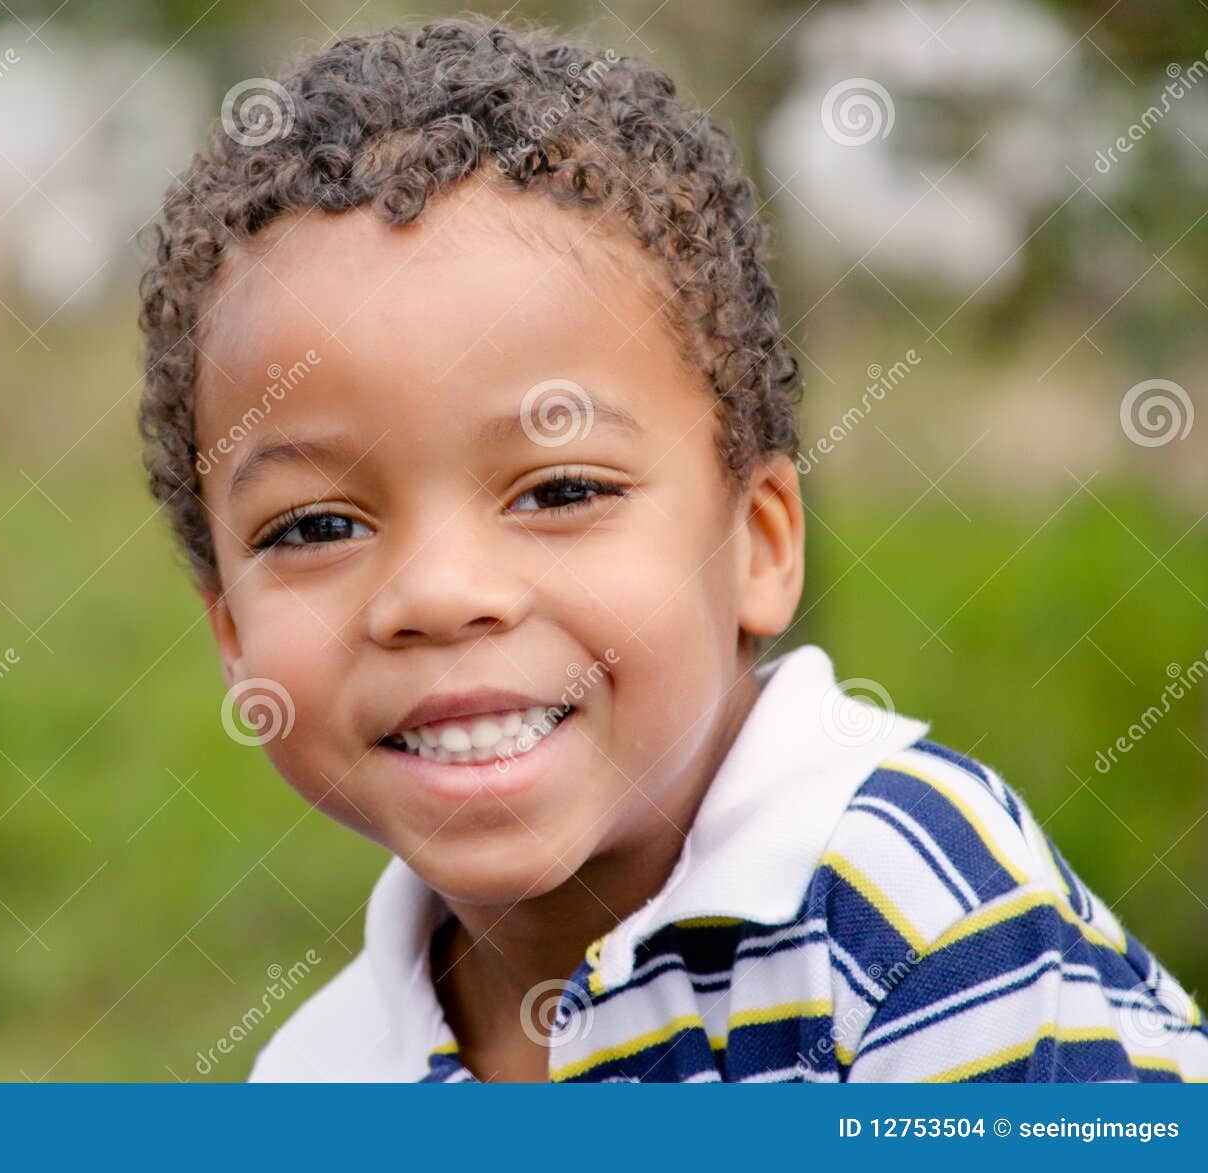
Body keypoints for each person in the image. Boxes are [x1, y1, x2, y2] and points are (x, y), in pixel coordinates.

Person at [135, 15, 1208, 1082]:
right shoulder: (320, 1077)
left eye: (559, 490)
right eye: (317, 527)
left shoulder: (903, 908)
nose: (437, 594)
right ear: (230, 630)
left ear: (757, 547)